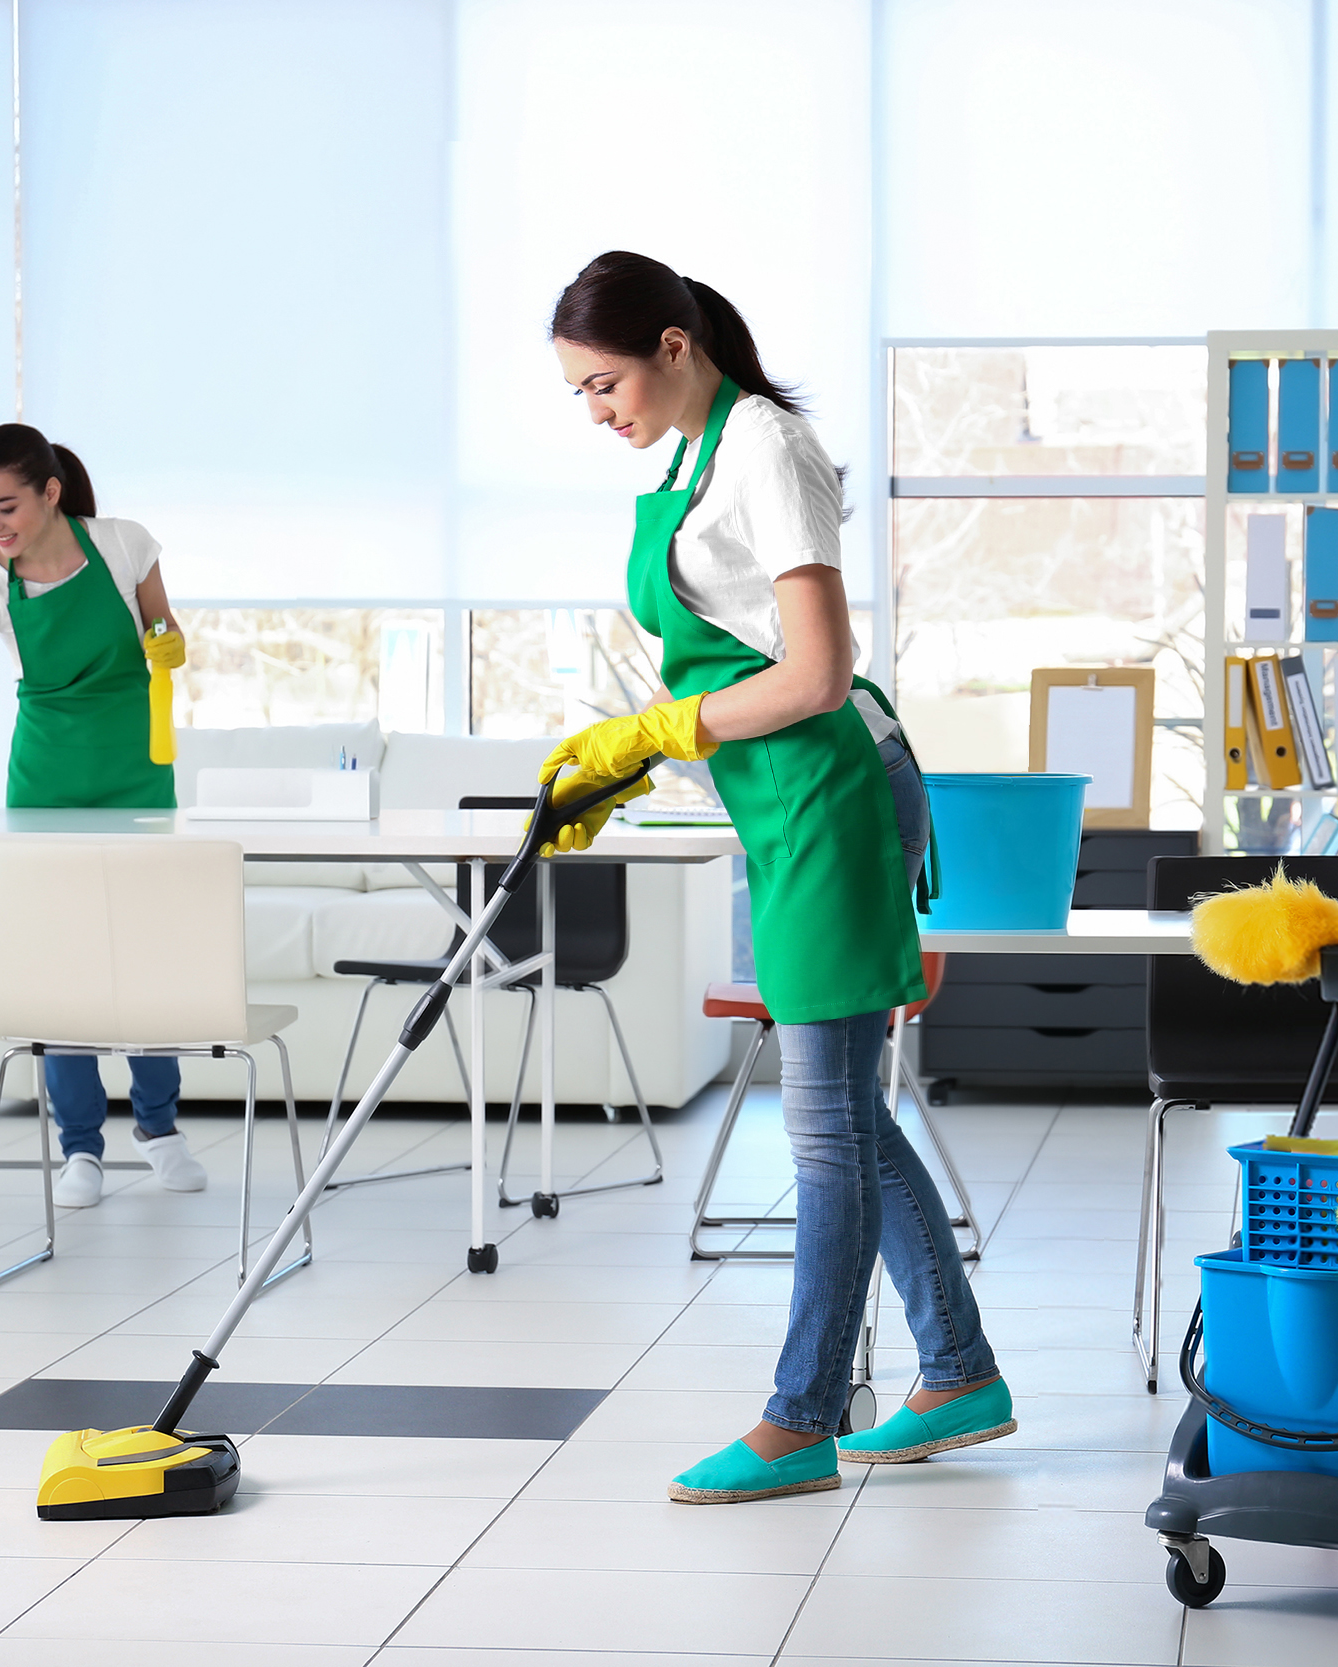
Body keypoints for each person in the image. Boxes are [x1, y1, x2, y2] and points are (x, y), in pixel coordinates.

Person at [544, 252, 1012, 1504]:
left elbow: (811, 672)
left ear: (674, 346)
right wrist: (629, 762)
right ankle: (957, 1366)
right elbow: (727, 663)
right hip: (781, 802)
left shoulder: (765, 448)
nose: (596, 410)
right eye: (581, 392)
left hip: (837, 797)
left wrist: (659, 733)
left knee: (819, 1125)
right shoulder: (682, 460)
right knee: (840, 1110)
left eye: (604, 381)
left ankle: (801, 1414)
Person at [0, 423, 206, 1209]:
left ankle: (160, 1129)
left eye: (7, 505)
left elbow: (166, 634)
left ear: (50, 491)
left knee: (145, 961)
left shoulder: (124, 546)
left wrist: (169, 646)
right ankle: (81, 1149)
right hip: (47, 780)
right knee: (65, 966)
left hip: (138, 776)